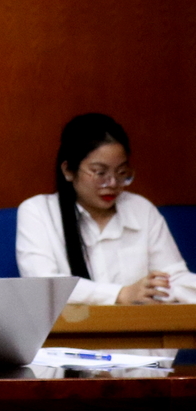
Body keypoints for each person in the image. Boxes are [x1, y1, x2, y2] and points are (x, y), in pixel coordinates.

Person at [16, 112, 196, 305]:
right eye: (100, 172)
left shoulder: (140, 209)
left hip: (138, 323)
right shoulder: (38, 212)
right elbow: (42, 285)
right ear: (68, 170)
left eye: (121, 172)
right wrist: (120, 294)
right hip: (69, 325)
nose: (112, 183)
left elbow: (172, 278)